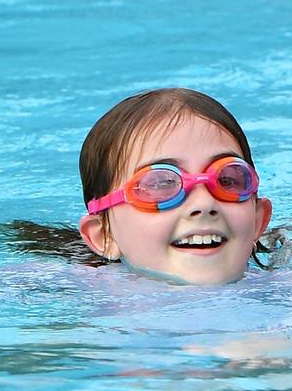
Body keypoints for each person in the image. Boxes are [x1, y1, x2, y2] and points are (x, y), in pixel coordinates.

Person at [77, 88, 274, 285]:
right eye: (161, 183)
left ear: (258, 221)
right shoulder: (71, 292)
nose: (204, 203)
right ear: (104, 236)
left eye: (227, 180)